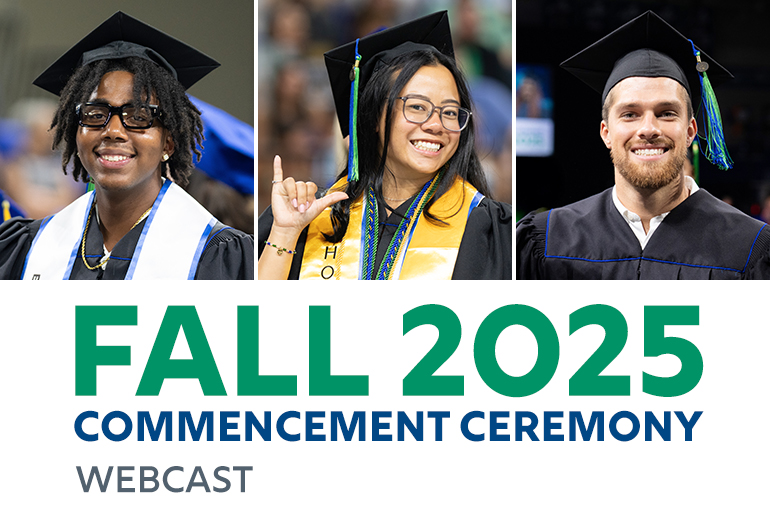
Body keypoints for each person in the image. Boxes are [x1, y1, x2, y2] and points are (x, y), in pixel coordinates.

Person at [258, 11, 512, 280]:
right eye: (417, 107)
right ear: (374, 116)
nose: (436, 125)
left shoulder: (487, 228)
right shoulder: (312, 216)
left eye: (450, 112)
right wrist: (285, 233)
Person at [517, 11, 770, 280]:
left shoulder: (749, 247)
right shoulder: (548, 241)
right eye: (630, 114)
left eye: (666, 113)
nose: (648, 129)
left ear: (690, 131)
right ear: (605, 132)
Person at [0, 12, 253, 280]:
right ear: (77, 133)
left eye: (139, 117)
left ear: (168, 142)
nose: (113, 131)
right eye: (95, 114)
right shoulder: (28, 246)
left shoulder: (218, 254)